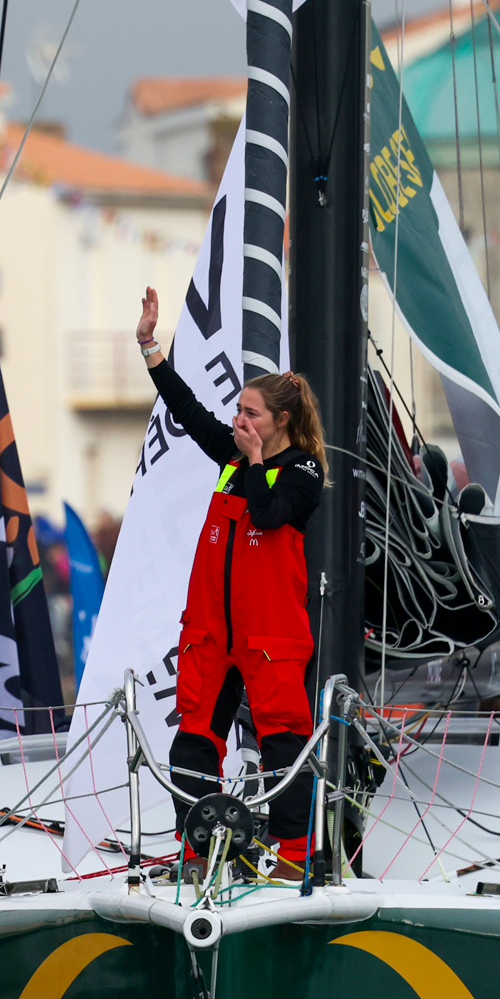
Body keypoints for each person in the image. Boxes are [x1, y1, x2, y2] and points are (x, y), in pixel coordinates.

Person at [135, 286, 324, 873]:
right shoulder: (237, 457)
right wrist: (150, 348)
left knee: (282, 746)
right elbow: (188, 412)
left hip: (271, 637)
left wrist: (260, 462)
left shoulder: (302, 470)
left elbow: (269, 515)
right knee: (192, 742)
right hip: (212, 632)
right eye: (239, 411)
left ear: (280, 422)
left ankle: (293, 857)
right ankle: (198, 851)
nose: (238, 421)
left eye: (250, 414)